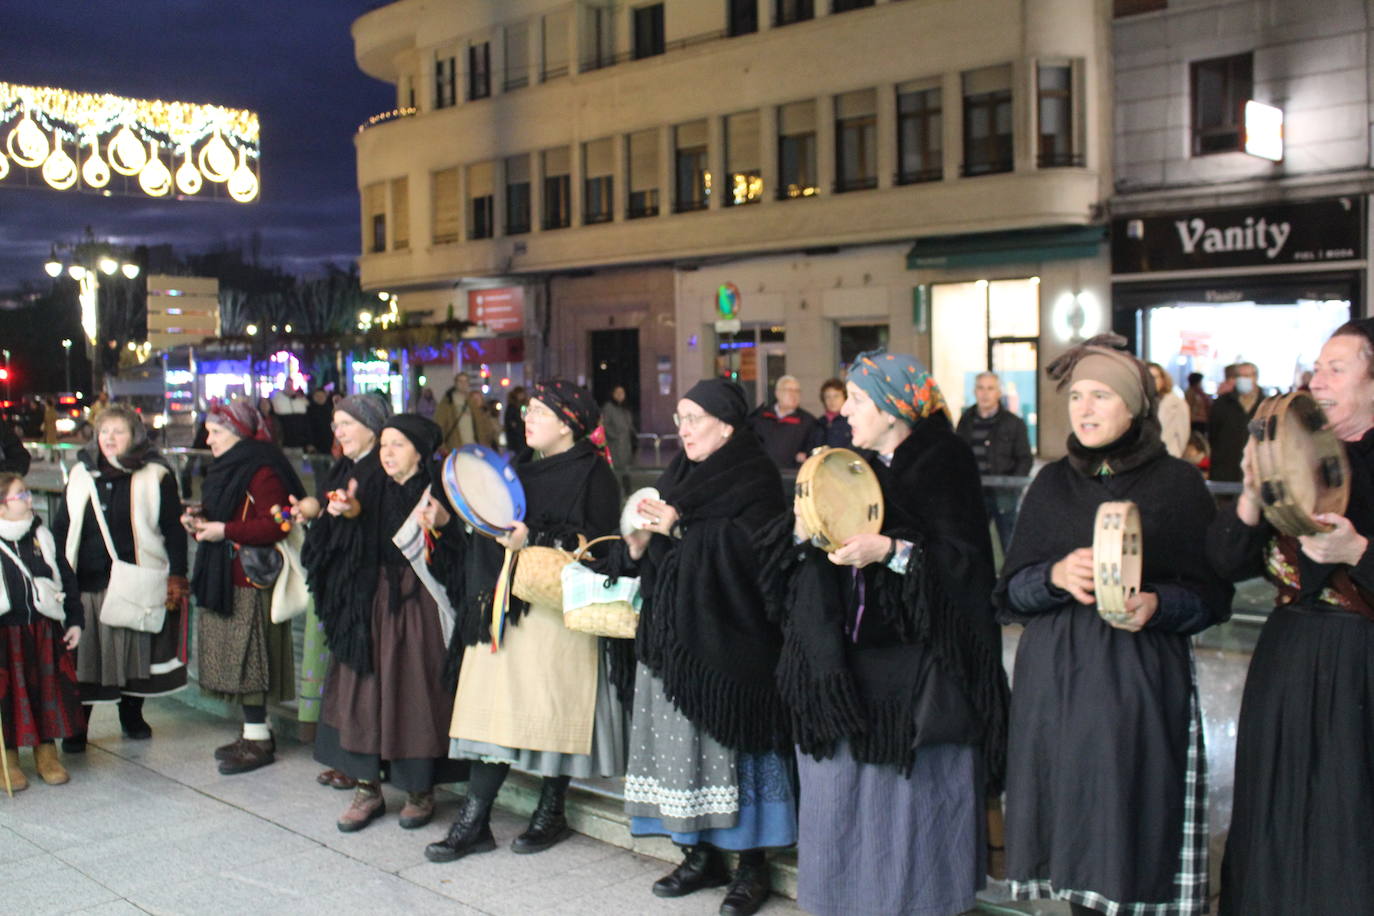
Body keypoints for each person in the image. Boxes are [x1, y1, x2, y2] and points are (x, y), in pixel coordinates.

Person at [758, 352, 1009, 916]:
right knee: (841, 797)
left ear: (895, 411)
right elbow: (799, 554)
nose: (844, 410)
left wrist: (892, 551)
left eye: (858, 400)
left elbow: (966, 566)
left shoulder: (943, 463)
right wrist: (806, 516)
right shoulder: (851, 464)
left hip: (914, 680)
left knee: (909, 806)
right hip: (841, 671)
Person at [994, 335, 1230, 916]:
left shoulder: (1176, 485)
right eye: (1077, 396)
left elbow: (1210, 598)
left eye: (1101, 395)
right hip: (1056, 689)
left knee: (1131, 828)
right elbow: (1009, 596)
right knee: (1073, 832)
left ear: (1134, 407)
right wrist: (1053, 575)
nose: (1086, 408)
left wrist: (1156, 603)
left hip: (1136, 685)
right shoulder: (1051, 484)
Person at [425, 380, 626, 863]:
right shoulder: (513, 468)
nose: (527, 418)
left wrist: (533, 537)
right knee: (490, 715)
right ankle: (475, 820)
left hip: (553, 613)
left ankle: (551, 809)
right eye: (530, 410)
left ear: (567, 423)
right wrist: (451, 523)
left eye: (539, 411)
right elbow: (491, 527)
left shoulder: (594, 474)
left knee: (554, 714)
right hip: (500, 607)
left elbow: (602, 547)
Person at [1212, 319, 1374, 914]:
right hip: (1288, 659)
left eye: (1337, 368)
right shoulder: (1296, 454)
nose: (1317, 380)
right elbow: (1224, 563)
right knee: (1273, 813)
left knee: (1345, 818)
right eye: (1316, 367)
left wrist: (1357, 553)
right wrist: (1253, 494)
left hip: (1360, 668)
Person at [616, 378, 793, 916]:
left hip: (733, 642)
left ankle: (751, 866)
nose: (684, 430)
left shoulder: (754, 474)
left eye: (694, 418)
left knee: (735, 749)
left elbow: (756, 554)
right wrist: (642, 543)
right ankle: (697, 854)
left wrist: (682, 528)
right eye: (679, 420)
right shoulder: (681, 474)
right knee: (685, 749)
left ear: (726, 424)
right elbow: (666, 557)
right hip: (679, 638)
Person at [313, 414, 468, 832]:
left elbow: (462, 552)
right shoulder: (369, 484)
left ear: (420, 451)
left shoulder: (438, 494)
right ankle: (367, 788)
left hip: (418, 604)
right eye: (383, 445)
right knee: (362, 692)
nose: (387, 453)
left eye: (397, 444)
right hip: (371, 599)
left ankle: (420, 789)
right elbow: (354, 527)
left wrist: (445, 526)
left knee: (416, 691)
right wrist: (344, 514)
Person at [53, 405, 189, 751]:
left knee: (132, 654)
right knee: (84, 657)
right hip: (85, 580)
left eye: (118, 431)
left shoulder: (156, 475)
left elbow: (173, 529)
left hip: (134, 578)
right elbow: (63, 524)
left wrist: (178, 574)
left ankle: (131, 715)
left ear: (135, 436)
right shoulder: (81, 474)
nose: (109, 439)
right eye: (104, 432)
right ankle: (77, 726)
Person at [185, 399, 305, 775]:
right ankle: (253, 733)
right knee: (240, 658)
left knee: (251, 660)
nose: (210, 438)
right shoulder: (232, 466)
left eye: (217, 432)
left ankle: (258, 740)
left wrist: (224, 530)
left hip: (249, 580)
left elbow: (277, 525)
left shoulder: (262, 470)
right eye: (209, 431)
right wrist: (202, 519)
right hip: (229, 575)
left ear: (237, 433)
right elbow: (228, 511)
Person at [295, 392, 392, 791]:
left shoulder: (381, 468)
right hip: (343, 588)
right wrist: (311, 507)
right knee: (344, 677)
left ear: (372, 427)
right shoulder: (345, 466)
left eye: (347, 423)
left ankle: (365, 761)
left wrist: (351, 511)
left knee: (364, 678)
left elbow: (376, 518)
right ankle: (347, 758)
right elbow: (330, 501)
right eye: (336, 424)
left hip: (368, 589)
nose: (338, 431)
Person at [0, 471, 84, 790]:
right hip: (6, 633)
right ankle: (6, 759)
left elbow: (66, 577)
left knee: (44, 693)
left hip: (41, 630)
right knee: (8, 699)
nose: (28, 500)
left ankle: (46, 755)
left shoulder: (42, 537)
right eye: (20, 496)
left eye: (27, 494)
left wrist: (75, 619)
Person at [956, 371, 1033, 552]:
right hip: (974, 493)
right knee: (973, 542)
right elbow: (957, 454)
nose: (985, 393)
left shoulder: (1014, 423)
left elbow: (1025, 458)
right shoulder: (966, 420)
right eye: (981, 388)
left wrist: (1014, 485)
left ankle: (1011, 579)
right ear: (974, 391)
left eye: (990, 388)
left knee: (1009, 543)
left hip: (1004, 494)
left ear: (999, 392)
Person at [748, 375, 821, 469]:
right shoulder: (760, 418)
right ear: (777, 393)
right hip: (762, 474)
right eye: (789, 390)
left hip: (791, 476)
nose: (794, 395)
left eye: (797, 391)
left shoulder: (808, 422)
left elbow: (813, 450)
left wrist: (806, 455)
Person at [1208, 362, 1260, 482]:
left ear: (1255, 378)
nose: (1244, 380)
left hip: (1255, 471)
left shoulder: (1265, 405)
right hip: (1226, 469)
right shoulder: (1222, 403)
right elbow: (1213, 435)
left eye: (1248, 376)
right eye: (1240, 376)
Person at [1149, 362, 1190, 459]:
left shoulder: (1177, 403)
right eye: (1148, 377)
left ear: (1163, 379)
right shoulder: (1141, 402)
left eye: (1155, 377)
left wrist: (1176, 455)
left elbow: (1183, 435)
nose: (1151, 381)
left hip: (1168, 456)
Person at [601, 384, 636, 489]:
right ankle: (616, 492)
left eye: (622, 393)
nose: (620, 395)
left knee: (626, 470)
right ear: (613, 394)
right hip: (615, 446)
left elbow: (629, 426)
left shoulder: (625, 408)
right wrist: (615, 436)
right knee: (616, 471)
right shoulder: (609, 407)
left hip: (626, 444)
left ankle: (626, 491)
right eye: (617, 393)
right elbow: (605, 425)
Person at [815, 378, 852, 448]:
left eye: (836, 396)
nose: (832, 400)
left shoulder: (852, 421)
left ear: (845, 397)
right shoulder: (819, 423)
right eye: (828, 397)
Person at [504, 386, 529, 453]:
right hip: (516, 437)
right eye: (520, 394)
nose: (521, 396)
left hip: (524, 436)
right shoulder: (512, 407)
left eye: (522, 394)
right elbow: (510, 422)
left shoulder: (524, 406)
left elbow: (525, 418)